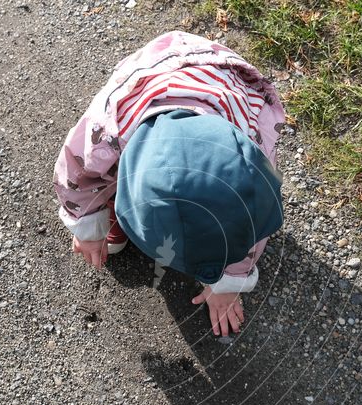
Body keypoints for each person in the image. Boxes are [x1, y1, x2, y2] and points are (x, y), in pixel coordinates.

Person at [53, 31, 286, 337]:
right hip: (156, 71)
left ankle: (146, 216)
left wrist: (226, 283)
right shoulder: (105, 134)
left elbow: (250, 232)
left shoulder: (256, 153)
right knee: (99, 174)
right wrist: (87, 227)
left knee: (234, 219)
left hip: (228, 82)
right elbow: (75, 178)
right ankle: (116, 205)